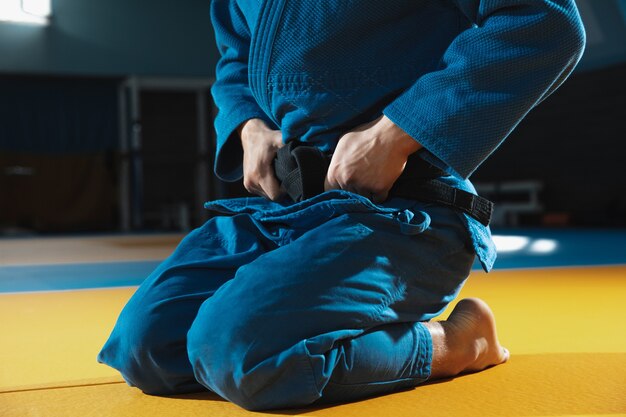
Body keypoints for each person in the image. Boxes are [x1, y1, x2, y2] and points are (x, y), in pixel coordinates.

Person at [98, 0, 585, 411]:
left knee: (238, 353)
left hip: (400, 211)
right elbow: (236, 58)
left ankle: (454, 345)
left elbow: (545, 21)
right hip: (286, 209)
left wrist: (397, 133)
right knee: (148, 348)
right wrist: (247, 123)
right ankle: (295, 319)